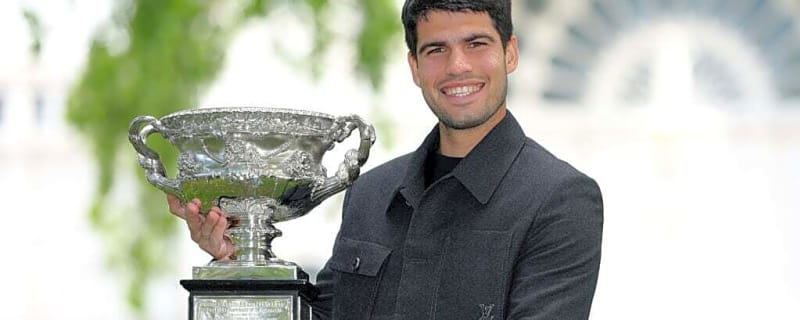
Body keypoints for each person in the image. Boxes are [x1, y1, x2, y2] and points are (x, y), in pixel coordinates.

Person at [168, 0, 604, 319]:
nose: (457, 67)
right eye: (436, 50)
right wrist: (244, 264)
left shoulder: (560, 199)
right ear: (415, 67)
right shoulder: (372, 192)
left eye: (476, 44)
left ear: (510, 52)